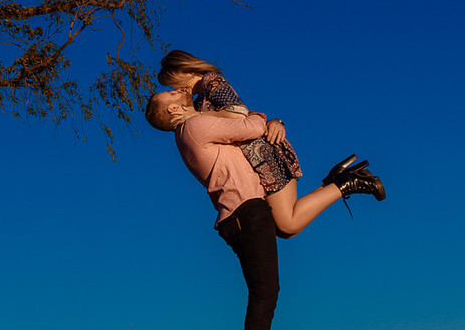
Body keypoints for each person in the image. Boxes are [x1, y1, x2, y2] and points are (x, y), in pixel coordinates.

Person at [145, 89, 384, 330]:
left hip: (245, 211)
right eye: (171, 93)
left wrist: (271, 122)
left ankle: (341, 183)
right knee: (264, 290)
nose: (179, 91)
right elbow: (252, 126)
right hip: (245, 212)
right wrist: (267, 120)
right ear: (172, 111)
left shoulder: (191, 128)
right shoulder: (193, 125)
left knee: (287, 229)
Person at [157, 50, 383, 237]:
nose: (177, 90)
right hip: (254, 160)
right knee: (282, 228)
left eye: (173, 83)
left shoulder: (212, 82)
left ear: (186, 69)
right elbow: (244, 114)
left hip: (264, 155)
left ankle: (348, 181)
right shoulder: (200, 99)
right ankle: (337, 181)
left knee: (288, 224)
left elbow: (237, 114)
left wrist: (197, 118)